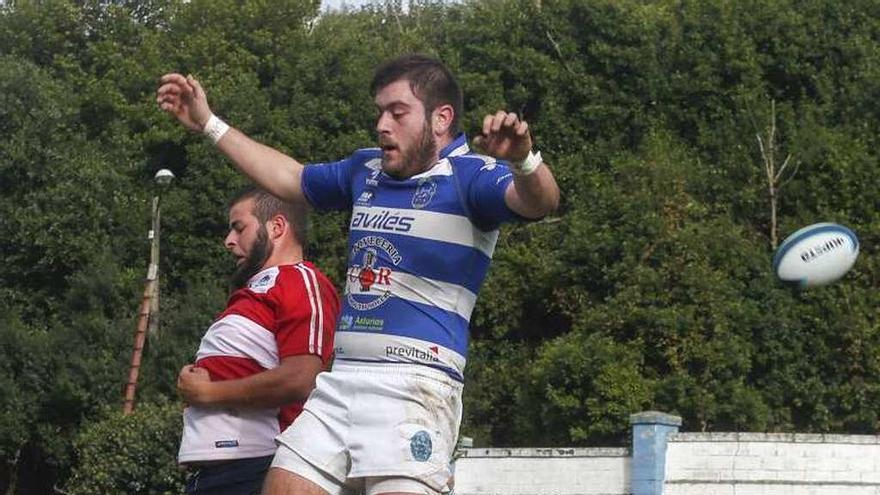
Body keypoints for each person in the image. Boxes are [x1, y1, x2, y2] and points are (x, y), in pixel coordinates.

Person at [158, 53, 560, 495]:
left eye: (398, 112)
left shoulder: (472, 178)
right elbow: (288, 177)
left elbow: (539, 202)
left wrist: (524, 161)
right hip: (343, 380)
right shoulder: (365, 169)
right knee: (283, 486)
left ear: (442, 118)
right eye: (380, 112)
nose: (382, 124)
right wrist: (209, 122)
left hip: (416, 390)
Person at [176, 187, 340, 495]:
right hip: (215, 473)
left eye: (239, 228)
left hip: (255, 468)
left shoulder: (301, 280)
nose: (229, 240)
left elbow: (302, 377)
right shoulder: (250, 293)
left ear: (276, 227)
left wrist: (208, 392)